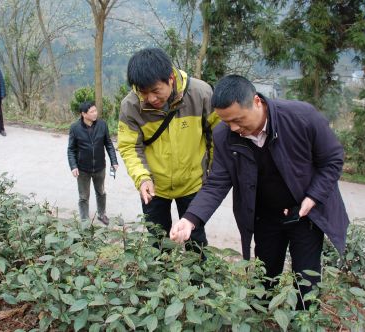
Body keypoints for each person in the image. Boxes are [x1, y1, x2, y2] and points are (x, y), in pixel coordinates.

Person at [170, 74, 349, 308]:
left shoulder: (301, 117)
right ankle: (263, 319)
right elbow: (217, 182)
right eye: (227, 122)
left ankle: (305, 320)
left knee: (307, 282)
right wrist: (190, 220)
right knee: (265, 278)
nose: (235, 128)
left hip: (305, 214)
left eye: (238, 120)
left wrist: (313, 196)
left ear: (256, 102)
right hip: (265, 216)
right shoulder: (225, 135)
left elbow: (333, 159)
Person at [118, 48, 220, 251]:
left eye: (156, 91)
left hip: (193, 184)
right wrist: (142, 178)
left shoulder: (200, 93)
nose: (151, 99)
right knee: (158, 242)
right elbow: (129, 146)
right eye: (143, 92)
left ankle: (198, 282)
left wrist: (211, 174)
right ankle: (162, 280)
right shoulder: (131, 106)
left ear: (171, 78)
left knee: (196, 242)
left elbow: (216, 137)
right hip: (154, 188)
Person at [67, 101, 118, 225]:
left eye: (96, 110)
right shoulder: (75, 128)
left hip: (100, 167)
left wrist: (114, 161)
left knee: (101, 192)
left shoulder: (102, 125)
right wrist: (73, 166)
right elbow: (71, 149)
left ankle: (102, 214)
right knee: (83, 196)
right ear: (84, 114)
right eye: (92, 111)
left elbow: (109, 144)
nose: (96, 113)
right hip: (83, 169)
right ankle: (84, 220)